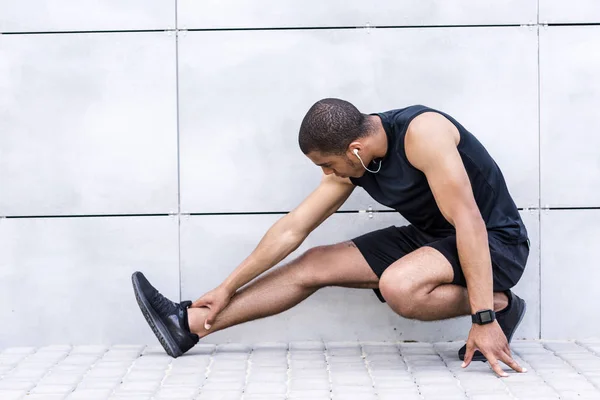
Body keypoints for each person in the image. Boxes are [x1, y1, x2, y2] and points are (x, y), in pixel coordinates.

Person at [132, 99, 530, 378]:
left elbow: (469, 222)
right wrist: (226, 286)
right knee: (314, 262)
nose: (326, 172)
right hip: (433, 239)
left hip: (495, 241)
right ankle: (187, 325)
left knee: (399, 285)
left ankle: (499, 306)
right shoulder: (356, 162)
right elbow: (294, 228)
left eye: (326, 163)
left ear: (354, 148)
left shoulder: (423, 132)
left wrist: (482, 318)